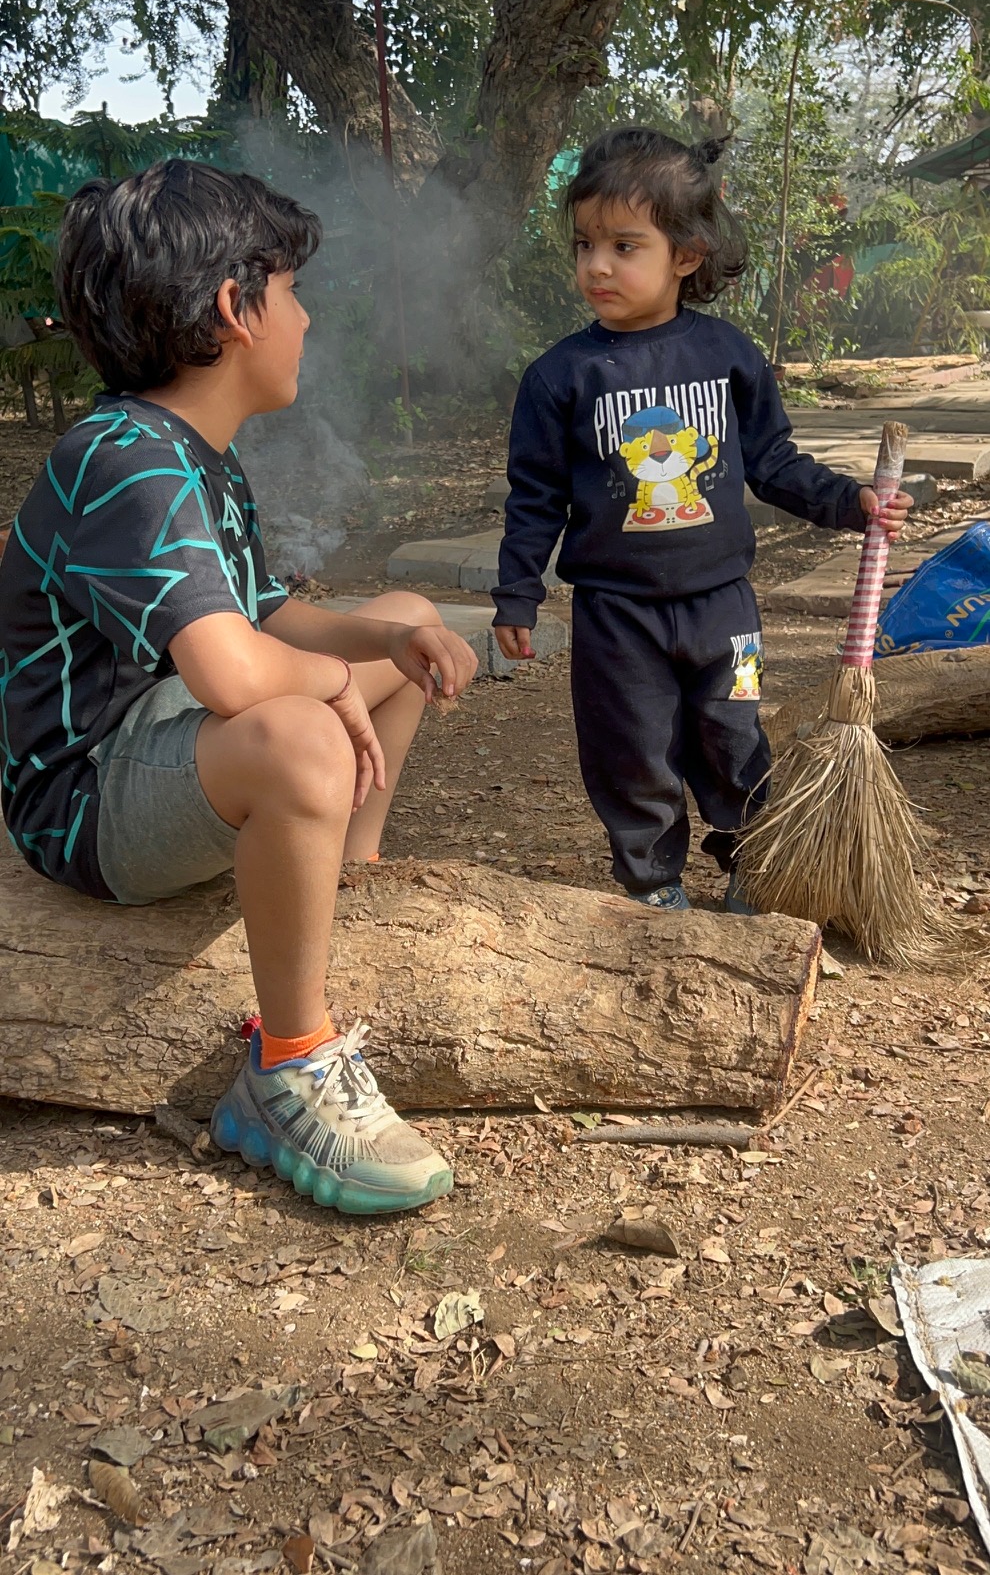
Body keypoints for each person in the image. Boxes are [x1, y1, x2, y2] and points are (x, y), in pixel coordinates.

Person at [0, 160, 477, 1213]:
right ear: (237, 306)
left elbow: (266, 618)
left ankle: (342, 881)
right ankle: (289, 1067)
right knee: (303, 731)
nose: (307, 315)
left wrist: (386, 644)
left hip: (164, 740)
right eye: (295, 290)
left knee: (401, 616)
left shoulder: (196, 456)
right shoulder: (125, 457)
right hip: (80, 798)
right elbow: (228, 669)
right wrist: (328, 687)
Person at [492, 126, 911, 913]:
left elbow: (776, 461)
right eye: (585, 245)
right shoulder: (561, 378)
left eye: (624, 245)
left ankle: (752, 862)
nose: (597, 266)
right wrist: (517, 593)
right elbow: (535, 496)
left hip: (729, 611)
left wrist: (849, 502)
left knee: (736, 734)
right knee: (631, 752)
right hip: (616, 618)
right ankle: (653, 884)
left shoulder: (729, 357)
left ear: (686, 254)